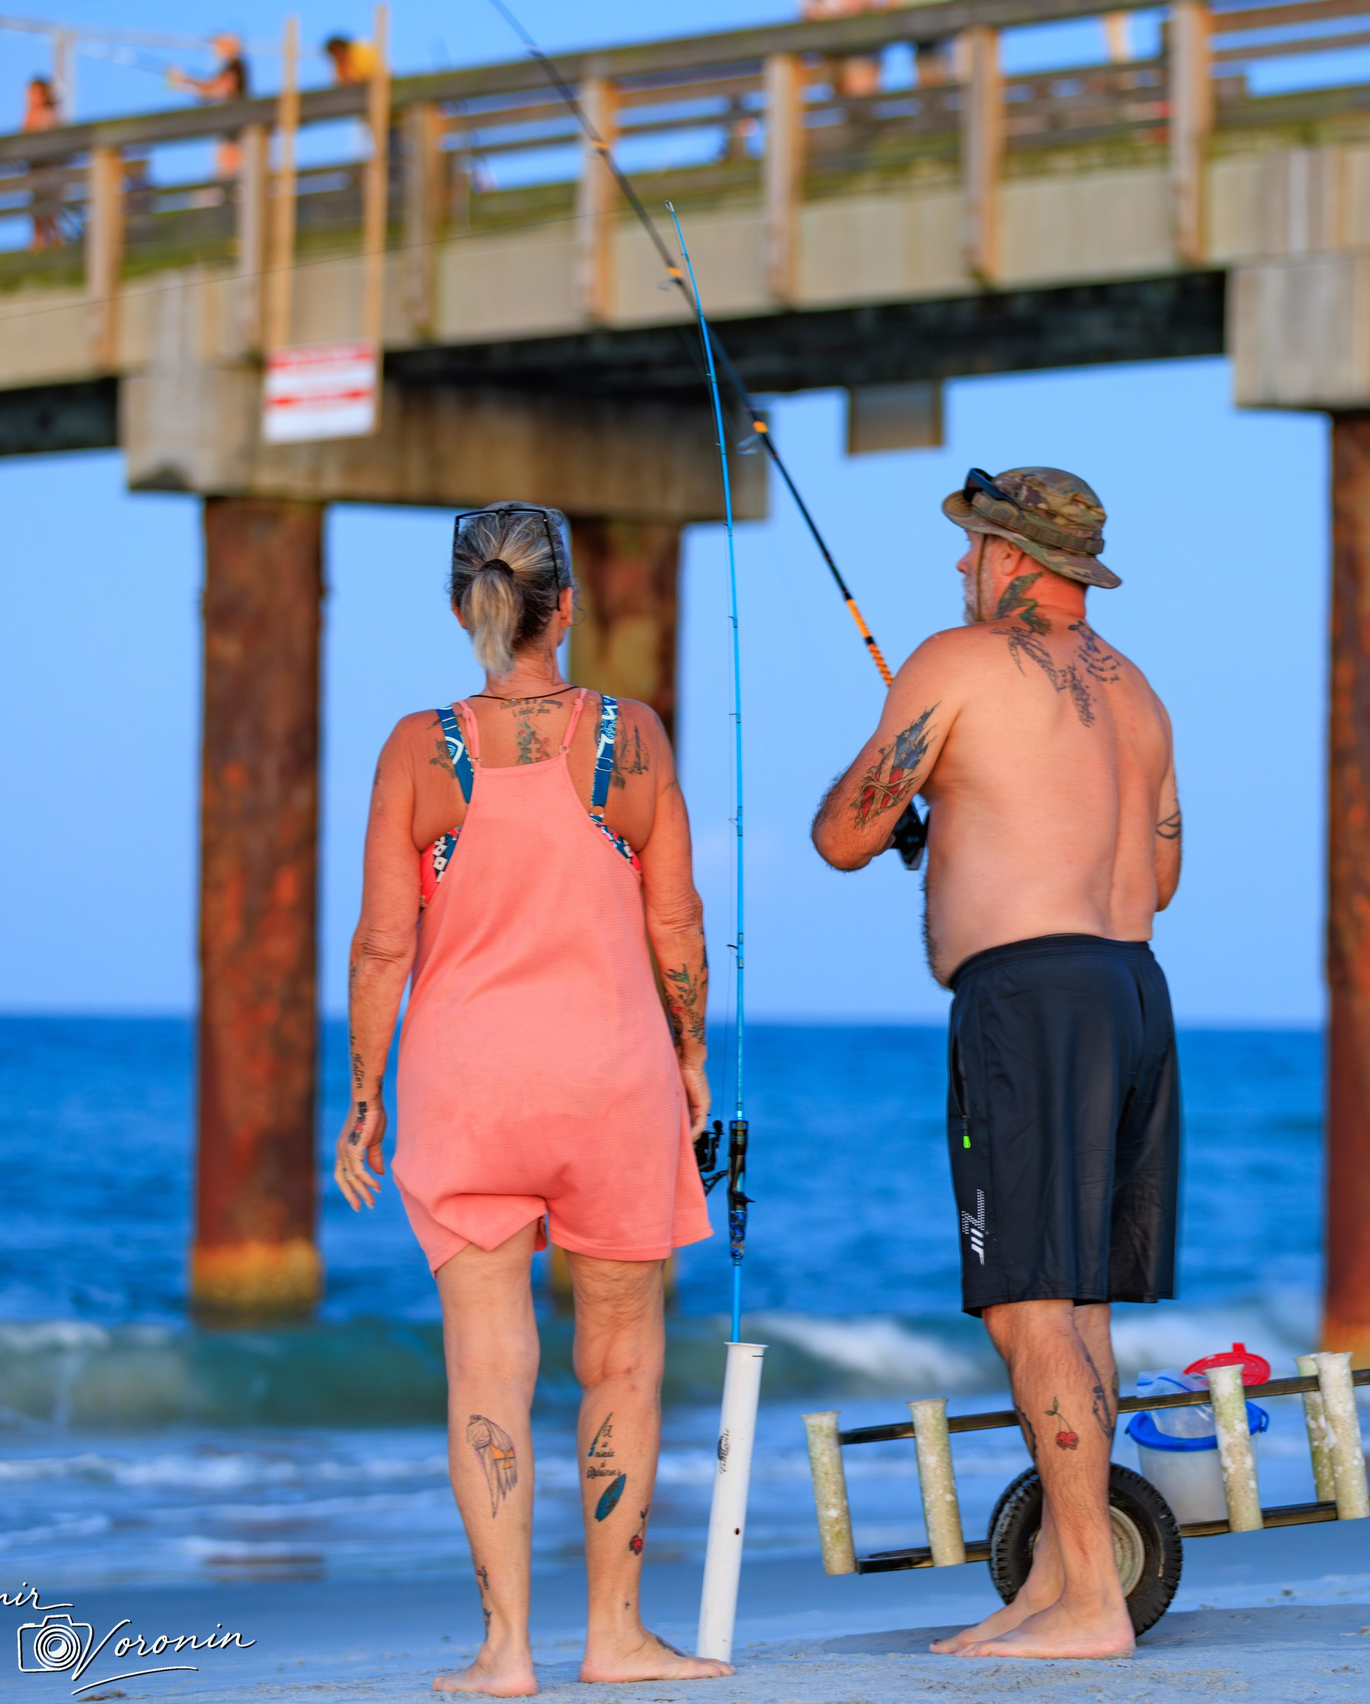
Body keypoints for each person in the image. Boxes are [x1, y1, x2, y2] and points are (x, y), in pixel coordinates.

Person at [334, 503, 731, 1692]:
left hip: (467, 1087)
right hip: (613, 1082)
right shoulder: (631, 735)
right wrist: (692, 1052)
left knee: (487, 1368)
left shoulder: (419, 748)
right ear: (567, 606)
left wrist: (364, 1098)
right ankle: (614, 1635)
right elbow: (678, 923)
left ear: (468, 607)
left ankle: (505, 1650)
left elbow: (378, 949)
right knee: (620, 1362)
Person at [811, 466, 1182, 1662]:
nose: (959, 571)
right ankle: (1070, 1580)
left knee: (1026, 1301)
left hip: (1027, 1001)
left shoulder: (955, 661)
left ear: (1013, 559)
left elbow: (843, 834)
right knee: (1080, 1303)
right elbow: (1159, 878)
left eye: (970, 551)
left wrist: (916, 810)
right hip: (1130, 991)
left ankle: (1087, 1608)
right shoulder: (1140, 695)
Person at [167, 33, 249, 181]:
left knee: (230, 169)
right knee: (226, 168)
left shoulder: (235, 66)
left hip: (235, 129)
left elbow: (216, 88)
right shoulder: (231, 67)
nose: (216, 49)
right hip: (231, 128)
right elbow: (210, 90)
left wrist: (184, 80)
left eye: (220, 44)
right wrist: (184, 84)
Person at [20, 77, 63, 252]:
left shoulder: (47, 116)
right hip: (36, 173)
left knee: (49, 214)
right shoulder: (31, 115)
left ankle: (54, 248)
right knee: (38, 214)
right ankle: (38, 249)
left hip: (48, 173)